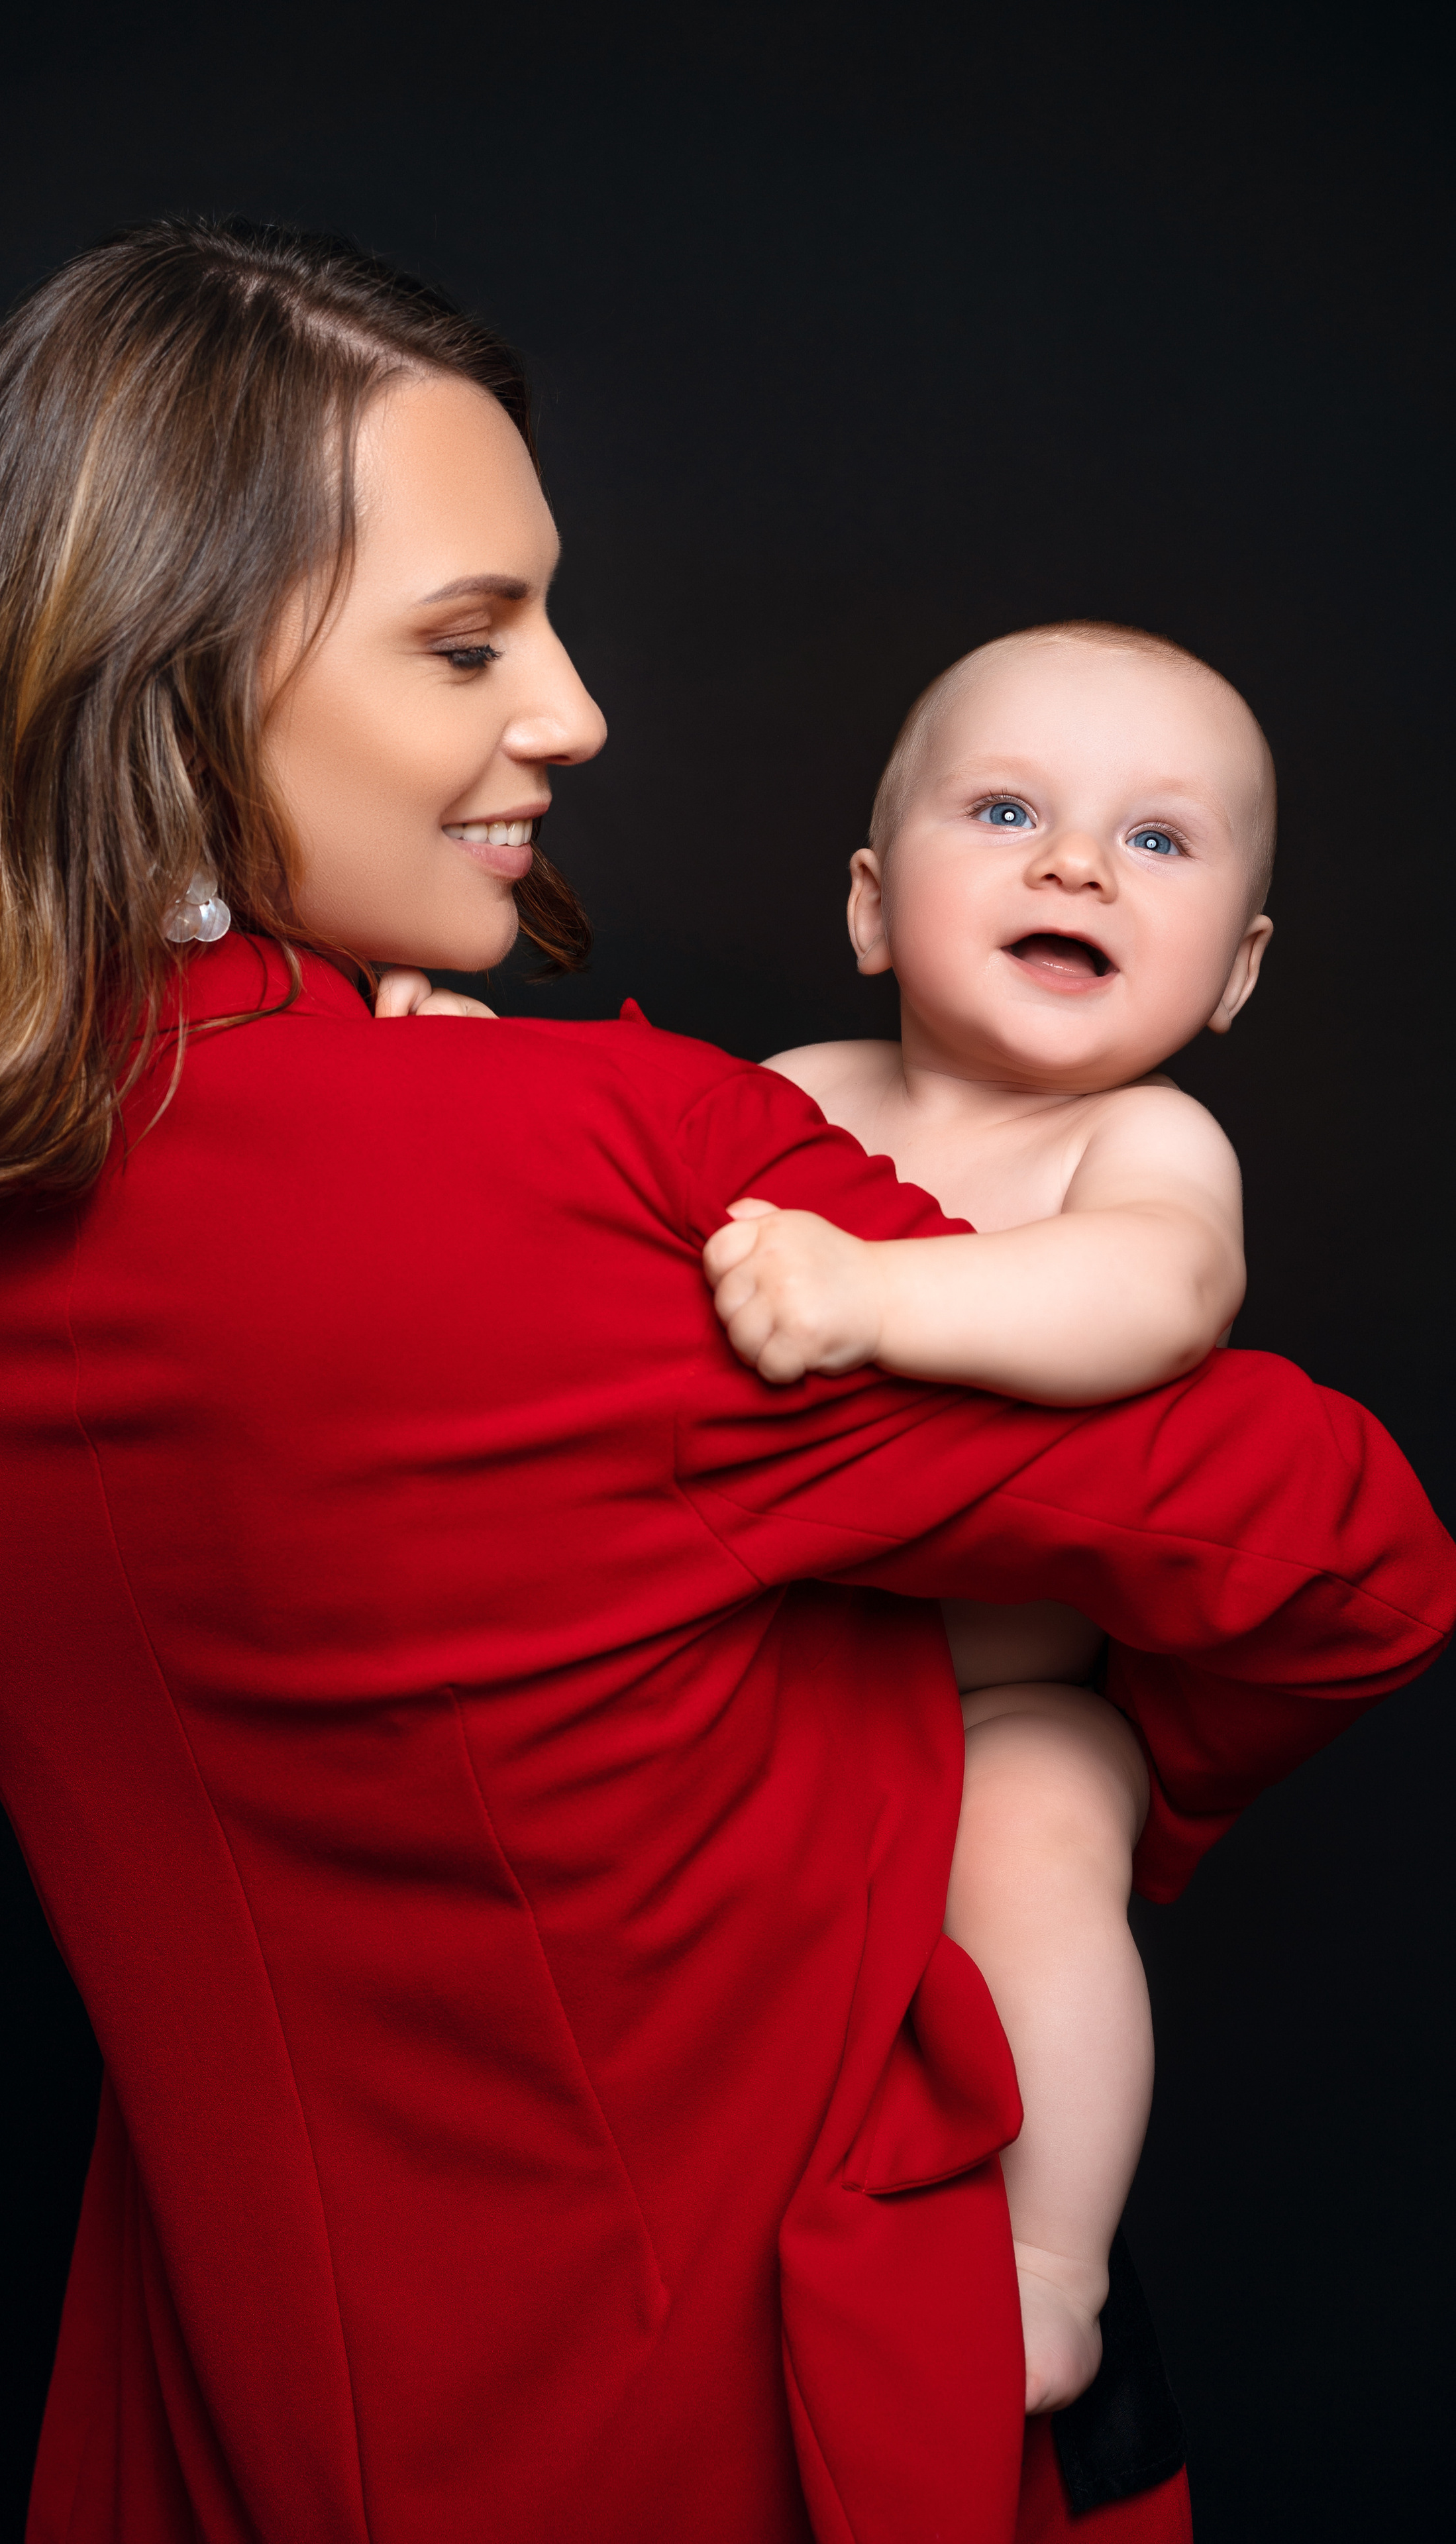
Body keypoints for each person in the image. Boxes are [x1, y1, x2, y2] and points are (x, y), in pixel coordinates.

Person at [0, 218, 1451, 2544]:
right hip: (754, 2410)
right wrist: (1026, 1782)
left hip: (231, 2427)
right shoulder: (596, 1161)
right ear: (167, 689)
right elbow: (1342, 1558)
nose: (571, 713)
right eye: (469, 642)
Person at [697, 622, 1274, 2415]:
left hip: (1001, 1701)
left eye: (1158, 840)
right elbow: (584, 1215)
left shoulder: (1140, 1143)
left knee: (1037, 1841)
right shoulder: (783, 1096)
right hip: (768, 1678)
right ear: (875, 908)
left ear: (1237, 972)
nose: (1078, 862)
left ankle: (1046, 2264)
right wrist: (444, 1075)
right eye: (1008, 808)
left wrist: (873, 1300)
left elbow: (1152, 1297)